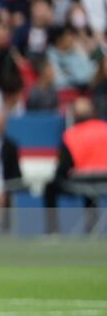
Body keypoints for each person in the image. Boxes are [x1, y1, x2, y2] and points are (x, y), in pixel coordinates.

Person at [43, 97, 107, 233]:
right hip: (103, 180)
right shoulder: (105, 129)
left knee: (50, 187)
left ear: (75, 115)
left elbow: (63, 168)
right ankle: (91, 227)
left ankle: (52, 230)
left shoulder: (71, 135)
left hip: (81, 181)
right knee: (90, 190)